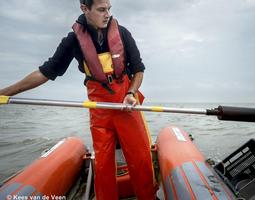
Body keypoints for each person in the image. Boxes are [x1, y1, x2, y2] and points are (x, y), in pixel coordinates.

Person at [0, 0, 158, 199]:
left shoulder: (123, 33)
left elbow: (138, 69)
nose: (107, 14)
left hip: (127, 106)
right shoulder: (73, 40)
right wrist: (5, 92)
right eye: (101, 10)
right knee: (102, 165)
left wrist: (131, 93)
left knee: (141, 160)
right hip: (99, 111)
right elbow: (46, 72)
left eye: (109, 9)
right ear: (85, 9)